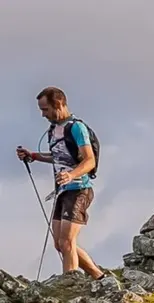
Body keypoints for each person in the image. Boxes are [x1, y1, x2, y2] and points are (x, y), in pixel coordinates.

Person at [14, 86, 104, 280]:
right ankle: (99, 277)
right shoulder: (53, 130)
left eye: (45, 109)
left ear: (59, 104)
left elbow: (89, 160)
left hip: (79, 189)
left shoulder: (76, 128)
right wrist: (34, 156)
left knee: (67, 242)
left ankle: (69, 284)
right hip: (63, 191)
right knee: (60, 244)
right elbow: (59, 157)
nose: (43, 114)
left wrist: (71, 175)